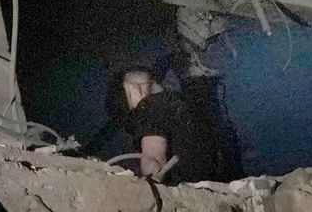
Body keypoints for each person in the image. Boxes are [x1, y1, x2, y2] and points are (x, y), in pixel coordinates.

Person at [94, 61, 228, 183]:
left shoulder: (161, 106)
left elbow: (153, 165)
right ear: (133, 90)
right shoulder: (152, 108)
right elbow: (153, 164)